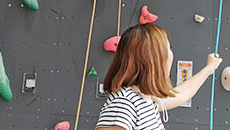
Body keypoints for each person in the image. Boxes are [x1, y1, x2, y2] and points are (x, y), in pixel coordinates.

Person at [95, 24, 223, 130]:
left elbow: (181, 95)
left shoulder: (143, 98)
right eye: (168, 49)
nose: (171, 55)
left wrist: (209, 68)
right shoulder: (124, 103)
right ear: (153, 60)